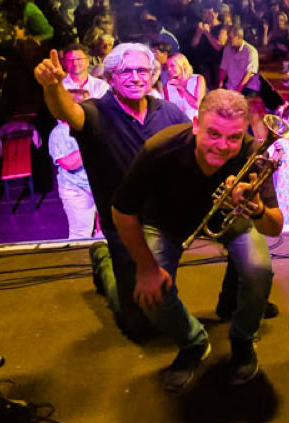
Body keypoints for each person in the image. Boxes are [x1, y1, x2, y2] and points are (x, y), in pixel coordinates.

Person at [112, 90, 282, 391]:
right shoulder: (160, 148)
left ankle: (243, 338)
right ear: (195, 125)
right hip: (167, 223)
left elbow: (275, 227)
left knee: (259, 269)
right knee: (152, 297)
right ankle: (193, 341)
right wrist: (147, 268)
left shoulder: (253, 153)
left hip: (228, 221)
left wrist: (255, 207)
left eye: (233, 137)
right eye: (213, 134)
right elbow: (122, 211)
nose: (223, 146)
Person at [34, 44, 192, 343]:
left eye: (142, 70)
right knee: (138, 326)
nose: (134, 77)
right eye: (125, 71)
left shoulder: (169, 112)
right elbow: (66, 111)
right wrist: (53, 87)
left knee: (159, 301)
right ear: (110, 77)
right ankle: (102, 260)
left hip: (162, 223)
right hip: (122, 225)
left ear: (153, 75)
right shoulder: (96, 112)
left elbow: (192, 150)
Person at [49, 88, 100, 240]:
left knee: (104, 232)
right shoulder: (59, 133)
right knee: (81, 235)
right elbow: (69, 164)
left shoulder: (92, 127)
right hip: (76, 190)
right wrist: (91, 141)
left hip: (98, 186)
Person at [218, 25, 260, 98]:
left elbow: (248, 75)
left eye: (230, 37)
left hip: (247, 87)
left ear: (239, 37)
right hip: (231, 85)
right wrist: (220, 86)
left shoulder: (251, 51)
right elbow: (223, 68)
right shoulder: (227, 49)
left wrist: (237, 93)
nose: (228, 39)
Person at [164, 53, 206, 120]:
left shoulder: (197, 79)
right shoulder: (168, 86)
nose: (169, 69)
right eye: (167, 66)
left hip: (195, 124)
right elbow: (169, 112)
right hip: (179, 126)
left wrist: (183, 89)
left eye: (172, 65)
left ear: (182, 65)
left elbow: (198, 105)